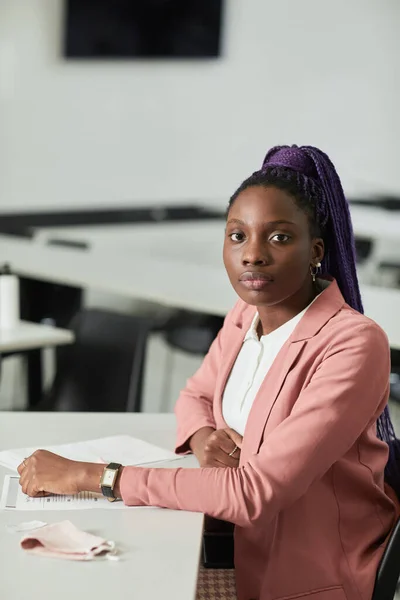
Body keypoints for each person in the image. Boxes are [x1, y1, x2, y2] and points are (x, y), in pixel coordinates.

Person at [18, 145, 400, 600]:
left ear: (316, 250)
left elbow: (253, 493)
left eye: (278, 238)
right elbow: (194, 396)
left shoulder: (352, 343)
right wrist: (204, 437)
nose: (252, 255)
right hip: (223, 539)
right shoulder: (246, 314)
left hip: (307, 574)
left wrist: (94, 477)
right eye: (238, 236)